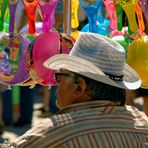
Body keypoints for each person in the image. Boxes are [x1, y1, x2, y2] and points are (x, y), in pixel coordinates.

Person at [5, 32, 148, 147]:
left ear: (79, 86)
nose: (57, 84)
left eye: (60, 77)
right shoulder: (142, 123)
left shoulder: (54, 131)